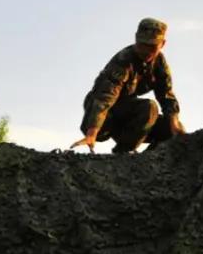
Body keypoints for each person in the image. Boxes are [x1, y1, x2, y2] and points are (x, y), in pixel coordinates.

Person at [71, 17, 185, 154]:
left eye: (152, 47)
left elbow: (166, 94)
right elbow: (105, 97)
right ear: (136, 39)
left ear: (162, 44)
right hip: (103, 115)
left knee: (169, 129)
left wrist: (175, 126)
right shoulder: (124, 60)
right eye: (142, 45)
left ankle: (148, 160)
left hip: (129, 116)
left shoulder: (159, 63)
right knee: (149, 107)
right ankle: (123, 153)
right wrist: (91, 133)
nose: (146, 51)